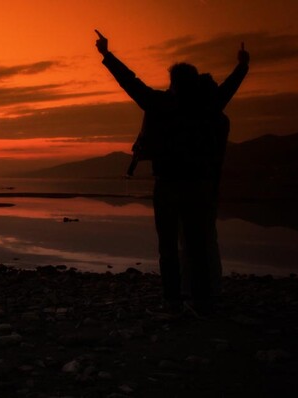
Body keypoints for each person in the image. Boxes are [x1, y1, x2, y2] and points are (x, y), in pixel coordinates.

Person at [95, 30, 249, 312]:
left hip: (166, 184)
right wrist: (243, 65)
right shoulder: (208, 107)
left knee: (168, 246)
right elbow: (230, 86)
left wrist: (106, 54)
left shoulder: (160, 103)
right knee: (196, 244)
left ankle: (173, 299)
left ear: (174, 84)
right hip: (197, 185)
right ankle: (201, 299)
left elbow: (130, 82)